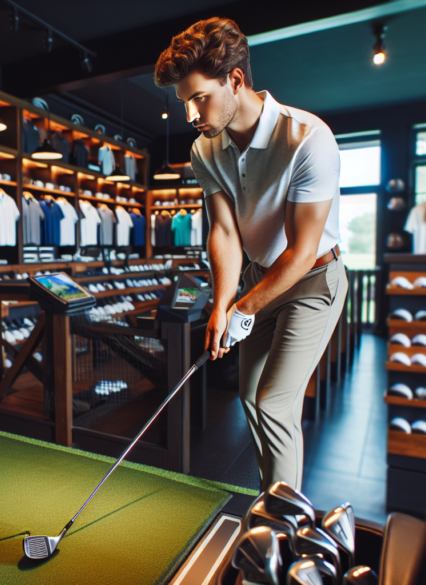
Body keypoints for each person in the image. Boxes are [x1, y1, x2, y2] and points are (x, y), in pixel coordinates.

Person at [155, 17, 348, 492]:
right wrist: (223, 304)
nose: (191, 114)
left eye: (199, 97)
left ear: (235, 81)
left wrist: (242, 309)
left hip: (314, 280)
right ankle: (272, 498)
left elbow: (302, 251)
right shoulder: (205, 149)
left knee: (274, 403)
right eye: (184, 102)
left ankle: (285, 530)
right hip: (259, 278)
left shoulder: (307, 138)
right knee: (248, 395)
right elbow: (223, 231)